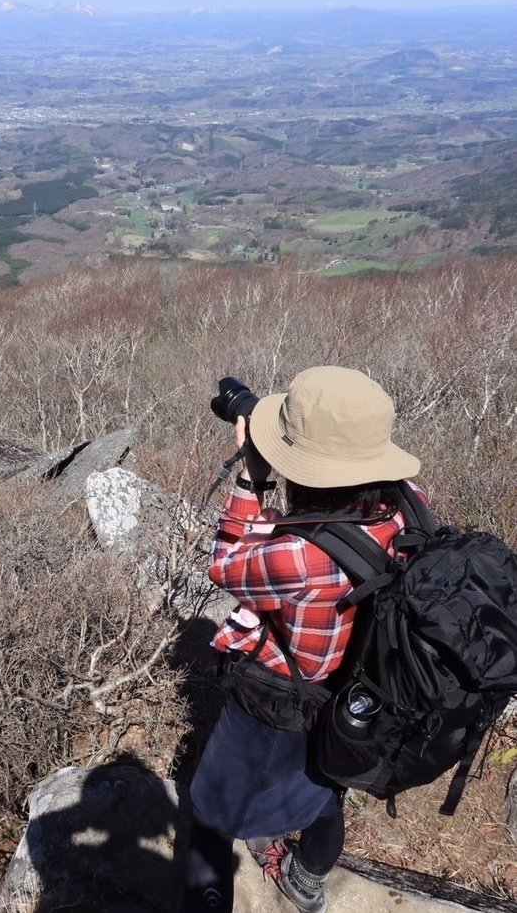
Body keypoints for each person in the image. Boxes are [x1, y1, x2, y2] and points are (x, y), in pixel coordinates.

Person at [182, 366, 424, 912]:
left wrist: (252, 478)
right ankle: (308, 880)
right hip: (360, 696)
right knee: (326, 787)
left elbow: (226, 565)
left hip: (283, 703)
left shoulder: (302, 555)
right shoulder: (409, 504)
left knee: (211, 815)